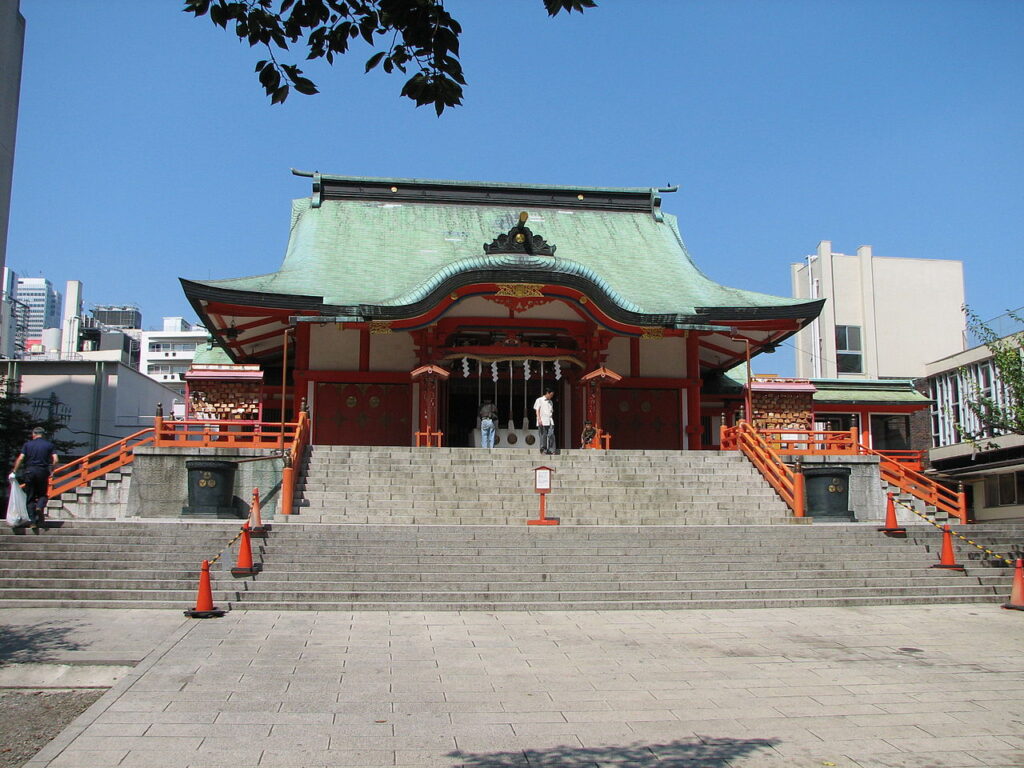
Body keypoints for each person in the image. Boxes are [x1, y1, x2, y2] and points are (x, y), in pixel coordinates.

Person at [12, 427, 59, 530]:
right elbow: (55, 459)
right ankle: (39, 507)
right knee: (42, 494)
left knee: (30, 497)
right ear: (43, 434)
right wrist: (52, 470)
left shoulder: (27, 445)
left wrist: (14, 471)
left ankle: (33, 522)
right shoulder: (49, 445)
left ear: (34, 434)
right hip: (42, 471)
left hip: (29, 471)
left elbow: (21, 458)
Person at [533, 387, 556, 455]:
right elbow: (537, 410)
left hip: (550, 420)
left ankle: (551, 449)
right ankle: (543, 449)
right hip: (542, 420)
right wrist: (539, 418)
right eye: (551, 395)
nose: (551, 396)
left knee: (551, 434)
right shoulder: (539, 400)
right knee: (543, 435)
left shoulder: (551, 402)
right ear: (547, 393)